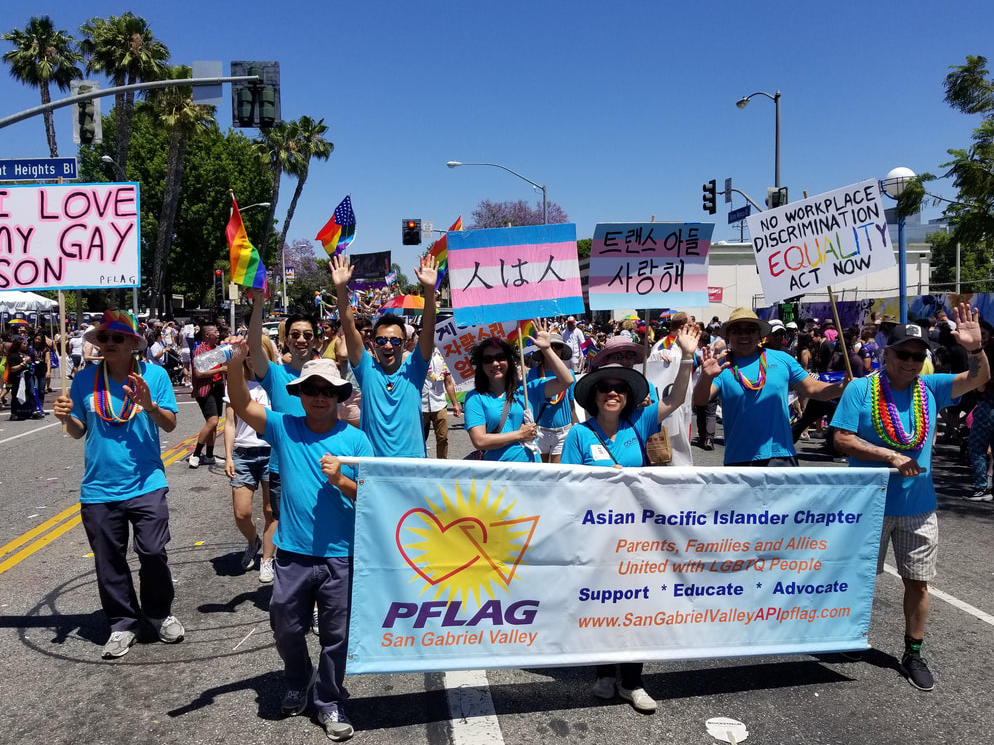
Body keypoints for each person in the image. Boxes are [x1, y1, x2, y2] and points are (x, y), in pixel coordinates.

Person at [832, 304, 989, 692]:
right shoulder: (860, 389)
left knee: (918, 583)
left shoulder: (931, 388)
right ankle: (847, 636)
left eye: (918, 356)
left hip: (918, 508)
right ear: (886, 354)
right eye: (902, 354)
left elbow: (980, 377)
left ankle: (913, 653)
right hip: (869, 506)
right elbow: (841, 438)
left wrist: (975, 350)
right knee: (859, 577)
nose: (910, 361)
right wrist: (890, 456)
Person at [225, 340, 373, 741]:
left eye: (328, 391)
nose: (320, 397)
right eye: (312, 390)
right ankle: (298, 677)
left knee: (335, 635)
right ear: (301, 395)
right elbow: (241, 404)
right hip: (291, 553)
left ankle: (330, 699)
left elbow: (373, 497)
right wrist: (236, 362)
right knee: (285, 625)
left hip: (340, 555)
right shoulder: (284, 427)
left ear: (340, 396)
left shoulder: (356, 442)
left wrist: (341, 479)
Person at [559, 356, 693, 713]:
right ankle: (604, 673)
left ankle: (632, 680)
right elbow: (567, 486)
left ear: (627, 396)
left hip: (639, 536)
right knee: (602, 604)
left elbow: (676, 399)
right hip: (598, 537)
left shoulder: (640, 423)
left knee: (636, 606)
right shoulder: (579, 434)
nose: (613, 393)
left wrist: (688, 358)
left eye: (619, 388)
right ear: (595, 396)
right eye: (605, 388)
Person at [51, 310, 184, 659]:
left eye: (117, 338)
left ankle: (157, 612)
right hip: (99, 488)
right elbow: (80, 431)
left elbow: (169, 425)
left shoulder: (153, 376)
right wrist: (67, 419)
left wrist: (149, 405)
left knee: (153, 551)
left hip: (146, 482)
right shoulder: (84, 380)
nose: (109, 343)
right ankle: (122, 623)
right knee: (108, 560)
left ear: (132, 344)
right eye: (104, 338)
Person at [693, 307, 846, 466]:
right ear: (728, 336)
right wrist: (706, 377)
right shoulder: (722, 366)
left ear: (759, 334)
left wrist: (842, 387)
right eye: (737, 330)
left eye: (751, 330)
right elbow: (700, 400)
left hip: (781, 454)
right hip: (739, 457)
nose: (744, 335)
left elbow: (813, 388)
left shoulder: (782, 360)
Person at [332, 253, 439, 457]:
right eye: (381, 340)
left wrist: (428, 289)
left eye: (395, 341)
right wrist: (340, 289)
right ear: (373, 343)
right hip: (374, 468)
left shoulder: (414, 369)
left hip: (412, 467)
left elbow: (428, 330)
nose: (388, 345)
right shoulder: (367, 368)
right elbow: (349, 326)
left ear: (405, 343)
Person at [465, 320, 573, 462]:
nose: (495, 363)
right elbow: (479, 441)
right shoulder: (475, 398)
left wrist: (547, 349)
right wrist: (519, 435)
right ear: (481, 365)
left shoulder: (527, 390)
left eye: (500, 358)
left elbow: (566, 381)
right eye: (488, 359)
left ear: (510, 361)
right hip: (498, 471)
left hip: (531, 469)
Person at [223, 335, 279, 582]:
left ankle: (267, 559)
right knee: (241, 513)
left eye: (257, 352)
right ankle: (252, 541)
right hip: (243, 453)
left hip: (271, 451)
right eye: (249, 353)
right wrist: (227, 456)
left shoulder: (275, 381)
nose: (252, 358)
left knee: (271, 510)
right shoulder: (237, 382)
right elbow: (229, 423)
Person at [524, 333, 575, 463]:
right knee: (542, 472)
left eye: (557, 346)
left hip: (563, 431)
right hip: (540, 430)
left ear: (562, 351)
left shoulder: (569, 374)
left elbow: (571, 402)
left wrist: (573, 426)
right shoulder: (531, 374)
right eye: (550, 346)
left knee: (558, 472)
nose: (553, 349)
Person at [190, 324, 226, 468]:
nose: (218, 334)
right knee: (212, 421)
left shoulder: (217, 349)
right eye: (215, 332)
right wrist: (222, 369)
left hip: (218, 388)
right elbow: (198, 374)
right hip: (205, 389)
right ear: (206, 335)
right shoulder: (200, 350)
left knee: (214, 423)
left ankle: (209, 455)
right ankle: (196, 454)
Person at [421, 347, 461, 459]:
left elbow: (448, 383)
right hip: (420, 405)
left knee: (443, 438)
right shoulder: (416, 356)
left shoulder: (442, 357)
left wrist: (455, 404)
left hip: (439, 403)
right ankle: (419, 464)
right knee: (419, 439)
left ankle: (442, 464)